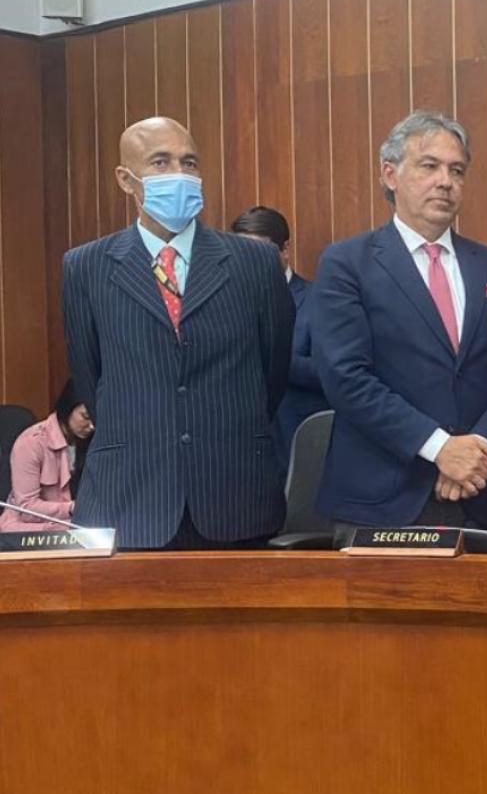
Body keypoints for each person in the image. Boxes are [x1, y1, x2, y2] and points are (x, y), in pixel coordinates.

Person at [62, 117, 294, 549]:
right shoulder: (85, 266)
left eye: (189, 162)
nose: (179, 174)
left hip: (234, 495)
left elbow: (273, 370)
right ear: (126, 179)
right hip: (128, 499)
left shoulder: (254, 263)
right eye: (160, 162)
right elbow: (91, 376)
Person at [312, 110, 487, 544]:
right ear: (390, 174)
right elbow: (346, 376)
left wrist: (478, 451)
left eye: (457, 170)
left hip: (477, 491)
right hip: (380, 500)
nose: (445, 182)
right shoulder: (347, 263)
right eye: (429, 166)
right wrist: (440, 448)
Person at [231, 206, 329, 466]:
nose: (248, 262)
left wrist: (271, 355)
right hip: (237, 453)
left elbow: (329, 373)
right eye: (241, 253)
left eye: (258, 251)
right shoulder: (226, 306)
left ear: (285, 250)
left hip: (296, 450)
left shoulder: (317, 301)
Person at [0, 380, 94, 532]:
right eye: (85, 416)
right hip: (27, 531)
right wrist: (73, 508)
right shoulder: (32, 442)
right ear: (68, 408)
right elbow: (27, 509)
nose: (91, 426)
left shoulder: (94, 443)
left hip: (75, 528)